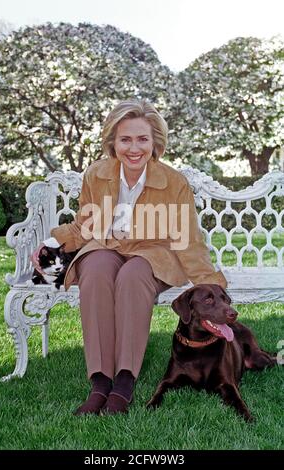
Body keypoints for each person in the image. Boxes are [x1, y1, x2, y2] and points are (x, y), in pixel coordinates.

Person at [31, 99, 227, 416]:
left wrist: (214, 291)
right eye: (125, 139)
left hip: (153, 255)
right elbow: (85, 226)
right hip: (108, 247)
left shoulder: (173, 182)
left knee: (133, 274)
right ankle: (99, 382)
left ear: (155, 143)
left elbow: (188, 241)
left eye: (142, 139)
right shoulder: (96, 175)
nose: (134, 148)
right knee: (94, 266)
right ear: (113, 142)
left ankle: (123, 383)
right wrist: (51, 244)